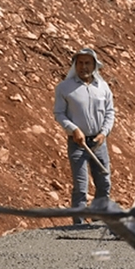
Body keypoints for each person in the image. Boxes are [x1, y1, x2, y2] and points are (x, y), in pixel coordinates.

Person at [53, 48, 115, 225]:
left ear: (94, 65)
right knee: (81, 187)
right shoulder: (65, 88)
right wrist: (73, 129)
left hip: (98, 142)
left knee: (104, 183)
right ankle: (78, 225)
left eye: (87, 63)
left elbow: (110, 112)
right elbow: (59, 113)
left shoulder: (103, 87)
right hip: (77, 143)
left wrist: (104, 132)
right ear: (75, 65)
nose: (83, 67)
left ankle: (98, 219)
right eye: (80, 63)